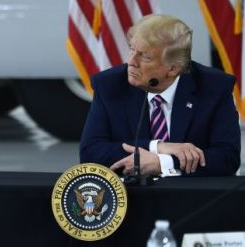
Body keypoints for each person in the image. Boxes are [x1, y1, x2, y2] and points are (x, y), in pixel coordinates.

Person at [79, 14, 241, 177]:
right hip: (131, 197)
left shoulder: (214, 87)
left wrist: (163, 163)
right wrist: (157, 147)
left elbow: (227, 158)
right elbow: (90, 154)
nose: (131, 61)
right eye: (132, 49)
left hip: (191, 197)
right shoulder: (110, 85)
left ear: (173, 69)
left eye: (145, 56)